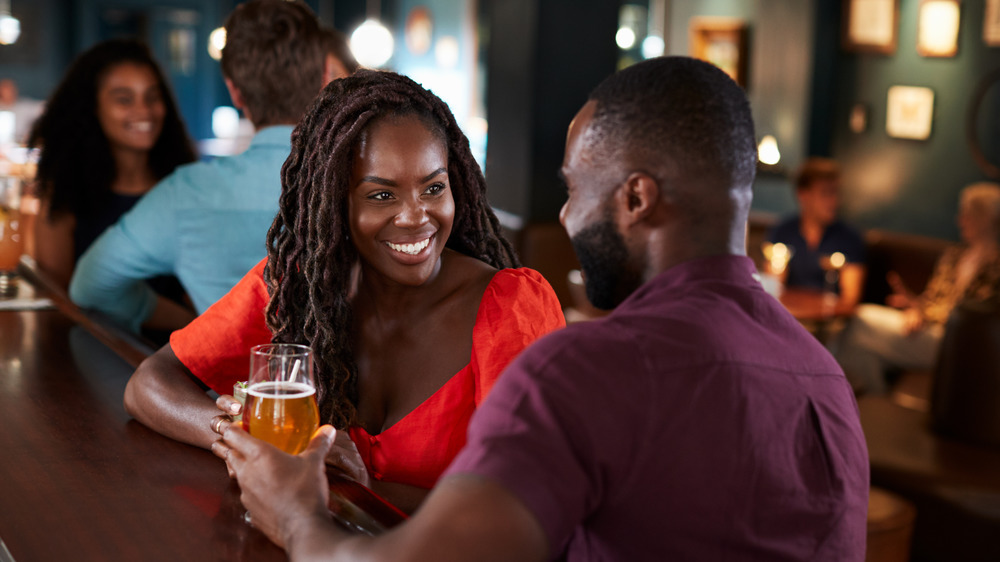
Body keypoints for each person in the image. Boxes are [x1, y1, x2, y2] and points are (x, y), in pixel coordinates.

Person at [211, 57, 870, 561]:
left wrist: (299, 517)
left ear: (635, 199)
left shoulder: (583, 371)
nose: (564, 215)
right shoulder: (828, 382)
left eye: (574, 189)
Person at [122, 70, 566, 514]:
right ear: (337, 202)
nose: (416, 217)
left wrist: (356, 487)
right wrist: (241, 439)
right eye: (381, 195)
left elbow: (528, 509)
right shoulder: (296, 286)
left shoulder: (511, 307)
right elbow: (149, 385)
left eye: (434, 187)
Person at [69, 0, 350, 333]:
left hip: (226, 384)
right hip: (353, 384)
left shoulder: (185, 193)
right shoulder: (367, 182)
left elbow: (89, 285)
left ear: (235, 91)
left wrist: (194, 328)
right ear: (324, 78)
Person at [27, 40, 196, 294]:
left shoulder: (185, 183)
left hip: (185, 333)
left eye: (152, 97)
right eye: (124, 99)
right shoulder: (65, 191)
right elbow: (58, 297)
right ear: (92, 108)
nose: (144, 111)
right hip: (93, 334)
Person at [835, 182, 1000, 395]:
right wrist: (914, 307)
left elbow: (974, 316)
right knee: (861, 349)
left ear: (986, 219)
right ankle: (876, 406)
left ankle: (849, 403)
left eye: (967, 214)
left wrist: (923, 312)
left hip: (957, 341)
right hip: (928, 329)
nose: (960, 220)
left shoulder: (996, 266)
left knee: (860, 319)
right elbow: (932, 299)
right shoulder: (954, 256)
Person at [768, 157, 866, 309]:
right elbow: (774, 287)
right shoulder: (782, 232)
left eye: (836, 193)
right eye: (826, 193)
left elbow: (850, 299)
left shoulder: (849, 238)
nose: (834, 201)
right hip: (790, 318)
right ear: (803, 194)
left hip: (831, 325)